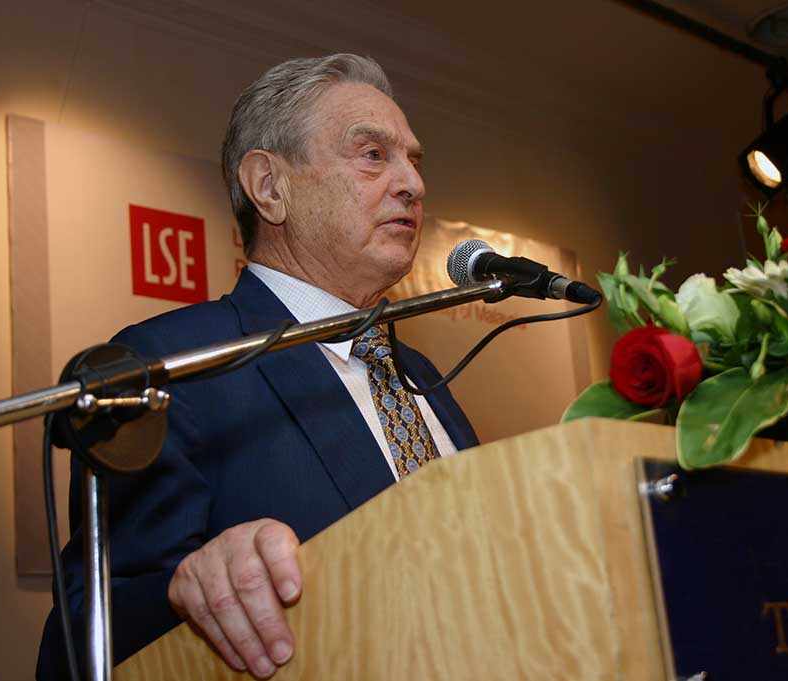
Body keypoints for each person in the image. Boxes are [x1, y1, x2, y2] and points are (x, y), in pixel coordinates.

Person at [36, 54, 478, 680]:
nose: (413, 183)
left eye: (414, 160)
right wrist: (185, 590)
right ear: (270, 187)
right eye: (373, 155)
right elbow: (86, 631)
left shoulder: (423, 374)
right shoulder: (174, 365)